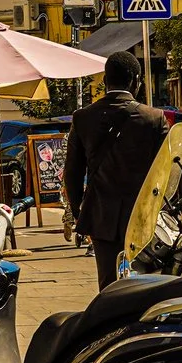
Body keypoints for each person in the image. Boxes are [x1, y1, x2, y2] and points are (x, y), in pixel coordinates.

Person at [63, 51, 172, 287]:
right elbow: (168, 170)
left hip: (101, 215)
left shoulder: (83, 118)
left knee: (109, 283)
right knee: (146, 282)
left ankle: (111, 322)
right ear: (135, 80)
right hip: (144, 215)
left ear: (104, 81)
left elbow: (72, 171)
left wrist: (77, 207)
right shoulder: (154, 119)